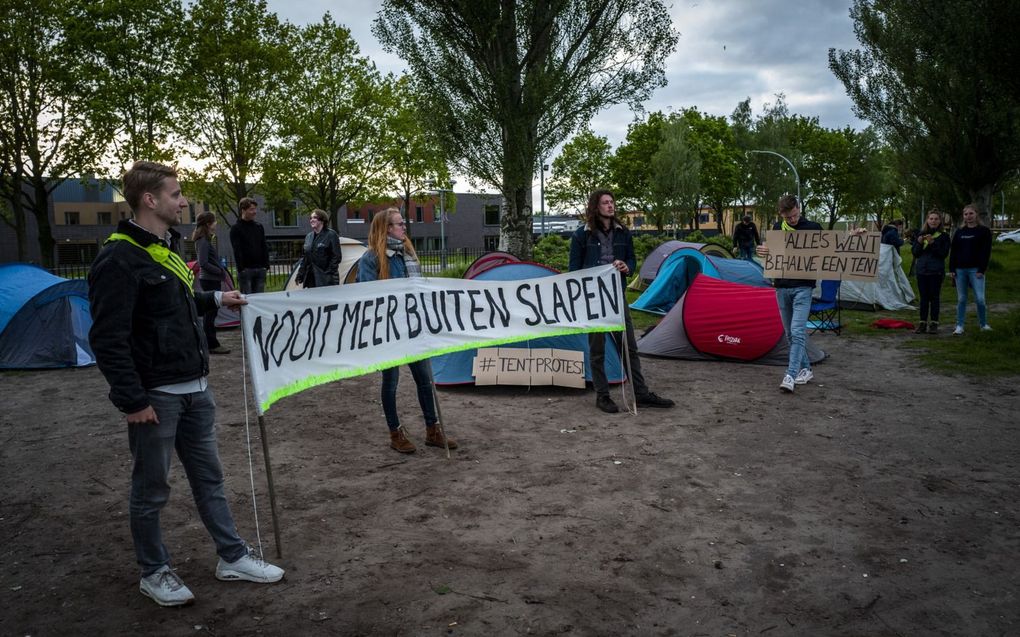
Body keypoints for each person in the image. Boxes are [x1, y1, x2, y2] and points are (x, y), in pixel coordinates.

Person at [88, 161, 284, 607]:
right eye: (176, 194)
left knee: (210, 479)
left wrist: (216, 298)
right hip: (156, 397)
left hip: (196, 388)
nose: (183, 201)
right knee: (151, 489)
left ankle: (232, 556)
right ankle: (154, 571)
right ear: (150, 200)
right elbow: (107, 338)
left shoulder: (167, 247)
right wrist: (132, 400)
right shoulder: (118, 259)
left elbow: (173, 306)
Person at [356, 208, 458, 453]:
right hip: (389, 331)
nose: (405, 227)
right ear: (387, 228)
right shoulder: (371, 259)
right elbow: (367, 295)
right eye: (400, 224)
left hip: (414, 328)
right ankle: (395, 432)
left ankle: (432, 430)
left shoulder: (407, 253)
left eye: (403, 223)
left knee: (424, 379)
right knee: (390, 381)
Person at [568, 189, 675, 413]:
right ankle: (603, 395)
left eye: (612, 202)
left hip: (616, 297)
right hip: (594, 301)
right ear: (595, 206)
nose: (610, 206)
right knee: (597, 350)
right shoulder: (581, 235)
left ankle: (641, 392)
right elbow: (573, 272)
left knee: (629, 347)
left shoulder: (623, 232)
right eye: (605, 202)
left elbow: (632, 259)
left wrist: (628, 267)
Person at [756, 194, 822, 393]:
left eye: (794, 215)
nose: (792, 220)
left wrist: (855, 236)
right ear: (781, 215)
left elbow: (833, 248)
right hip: (782, 287)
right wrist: (763, 252)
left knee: (797, 331)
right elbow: (771, 256)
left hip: (803, 287)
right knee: (790, 334)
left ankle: (790, 375)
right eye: (788, 218)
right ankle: (806, 370)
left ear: (799, 209)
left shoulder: (813, 228)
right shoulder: (777, 230)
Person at [949, 204, 993, 334]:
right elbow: (954, 251)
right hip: (960, 270)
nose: (968, 216)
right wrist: (952, 268)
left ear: (976, 214)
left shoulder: (984, 231)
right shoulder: (960, 232)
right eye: (966, 214)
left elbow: (986, 252)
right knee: (962, 299)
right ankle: (960, 326)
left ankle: (983, 324)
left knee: (980, 298)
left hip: (976, 270)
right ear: (963, 216)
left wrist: (981, 269)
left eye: (971, 214)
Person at [192, 212, 230, 354]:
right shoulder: (203, 241)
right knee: (210, 314)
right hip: (209, 280)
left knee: (211, 314)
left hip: (211, 279)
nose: (216, 224)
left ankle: (209, 343)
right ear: (208, 224)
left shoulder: (205, 240)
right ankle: (212, 344)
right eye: (214, 222)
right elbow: (203, 263)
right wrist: (219, 271)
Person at [911, 209, 951, 334]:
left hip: (936, 271)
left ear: (940, 221)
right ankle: (922, 323)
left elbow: (943, 254)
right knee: (923, 298)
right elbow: (915, 253)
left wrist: (933, 243)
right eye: (931, 218)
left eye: (936, 219)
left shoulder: (944, 236)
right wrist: (918, 243)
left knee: (934, 298)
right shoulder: (921, 234)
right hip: (922, 271)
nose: (933, 221)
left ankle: (934, 323)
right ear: (927, 220)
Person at [229, 197, 269, 294]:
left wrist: (266, 266)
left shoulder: (259, 227)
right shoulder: (236, 229)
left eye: (255, 209)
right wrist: (241, 269)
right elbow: (237, 250)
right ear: (243, 210)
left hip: (260, 269)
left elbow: (263, 245)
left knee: (259, 300)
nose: (254, 212)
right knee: (246, 300)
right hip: (246, 271)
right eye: (251, 209)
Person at [295, 209, 341, 288]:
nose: (311, 220)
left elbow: (336, 257)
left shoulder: (331, 235)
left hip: (326, 279)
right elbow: (305, 257)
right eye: (310, 218)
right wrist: (300, 273)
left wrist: (327, 273)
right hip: (310, 278)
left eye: (315, 217)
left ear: (322, 220)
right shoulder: (308, 237)